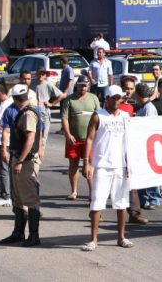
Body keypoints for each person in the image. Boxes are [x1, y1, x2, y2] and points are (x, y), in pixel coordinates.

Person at [81, 85, 133, 252]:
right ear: (107, 99)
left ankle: (121, 237)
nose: (117, 101)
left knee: (121, 203)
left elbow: (132, 139)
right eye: (114, 98)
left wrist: (131, 162)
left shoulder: (125, 116)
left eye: (119, 98)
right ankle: (93, 239)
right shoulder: (98, 116)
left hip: (120, 165)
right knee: (97, 203)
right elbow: (89, 139)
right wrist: (86, 162)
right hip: (102, 165)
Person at [1, 84, 43, 247]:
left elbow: (31, 139)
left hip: (25, 162)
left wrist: (20, 161)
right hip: (18, 158)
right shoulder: (25, 112)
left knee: (30, 199)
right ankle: (18, 233)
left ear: (15, 99)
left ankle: (34, 235)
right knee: (18, 199)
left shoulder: (28, 114)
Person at [61, 75, 100, 200]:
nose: (83, 87)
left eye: (85, 85)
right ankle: (74, 191)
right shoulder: (69, 100)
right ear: (77, 85)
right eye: (81, 85)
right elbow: (64, 118)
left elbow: (100, 116)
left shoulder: (93, 98)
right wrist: (68, 134)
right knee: (73, 164)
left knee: (89, 166)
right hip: (74, 139)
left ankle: (92, 193)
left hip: (90, 140)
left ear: (88, 86)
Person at [117, 77, 148, 225]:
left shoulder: (132, 107)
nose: (128, 91)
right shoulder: (114, 104)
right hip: (114, 149)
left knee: (131, 179)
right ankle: (96, 210)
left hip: (128, 147)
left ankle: (134, 213)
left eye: (131, 89)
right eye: (126, 88)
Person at [135, 83, 161, 209]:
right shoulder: (142, 108)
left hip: (148, 146)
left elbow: (149, 128)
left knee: (150, 173)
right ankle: (144, 199)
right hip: (140, 146)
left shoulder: (149, 109)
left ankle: (153, 199)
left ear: (138, 95)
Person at [35, 68, 66, 147]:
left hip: (44, 113)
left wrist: (52, 104)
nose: (41, 76)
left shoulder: (48, 84)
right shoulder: (33, 83)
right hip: (34, 112)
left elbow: (62, 95)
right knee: (34, 136)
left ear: (45, 75)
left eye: (43, 74)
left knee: (43, 138)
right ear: (36, 74)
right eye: (39, 74)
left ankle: (40, 156)